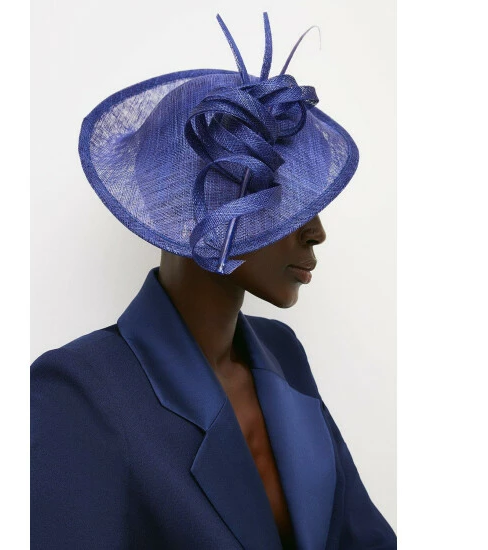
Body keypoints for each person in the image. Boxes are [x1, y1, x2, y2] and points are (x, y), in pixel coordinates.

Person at [31, 13, 397, 550]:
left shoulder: (282, 354)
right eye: (283, 199)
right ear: (203, 210)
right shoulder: (77, 393)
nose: (315, 231)